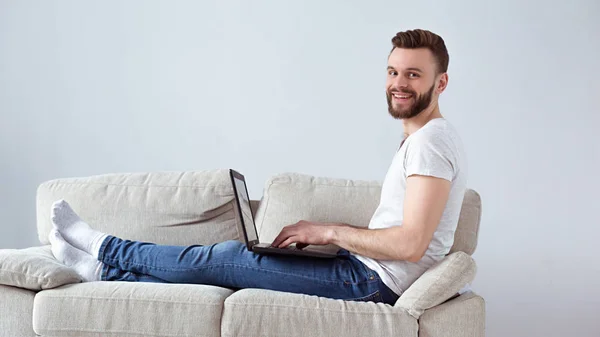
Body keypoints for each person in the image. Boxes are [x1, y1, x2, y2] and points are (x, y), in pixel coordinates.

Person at [48, 28, 467, 306]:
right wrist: (331, 239)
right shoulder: (421, 138)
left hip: (371, 286)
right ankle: (103, 272)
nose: (399, 83)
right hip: (363, 271)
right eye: (393, 71)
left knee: (224, 257)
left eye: (413, 74)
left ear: (440, 82)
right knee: (224, 267)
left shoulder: (431, 142)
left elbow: (412, 244)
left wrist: (328, 232)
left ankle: (103, 245)